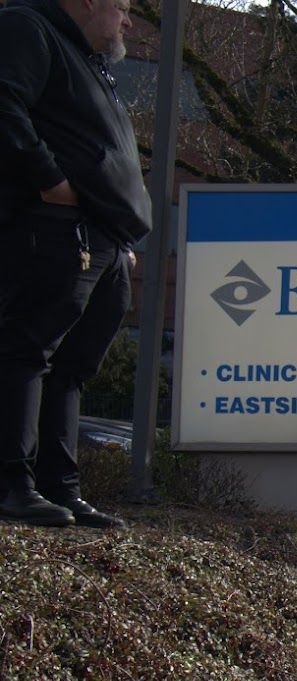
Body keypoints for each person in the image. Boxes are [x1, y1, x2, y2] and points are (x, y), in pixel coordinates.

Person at [0, 0, 149, 528]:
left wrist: (118, 226)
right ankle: (12, 486)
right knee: (26, 350)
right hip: (53, 227)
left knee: (71, 369)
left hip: (102, 238)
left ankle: (58, 489)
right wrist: (50, 180)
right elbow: (5, 106)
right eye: (123, 7)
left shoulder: (86, 59)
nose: (128, 21)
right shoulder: (27, 28)